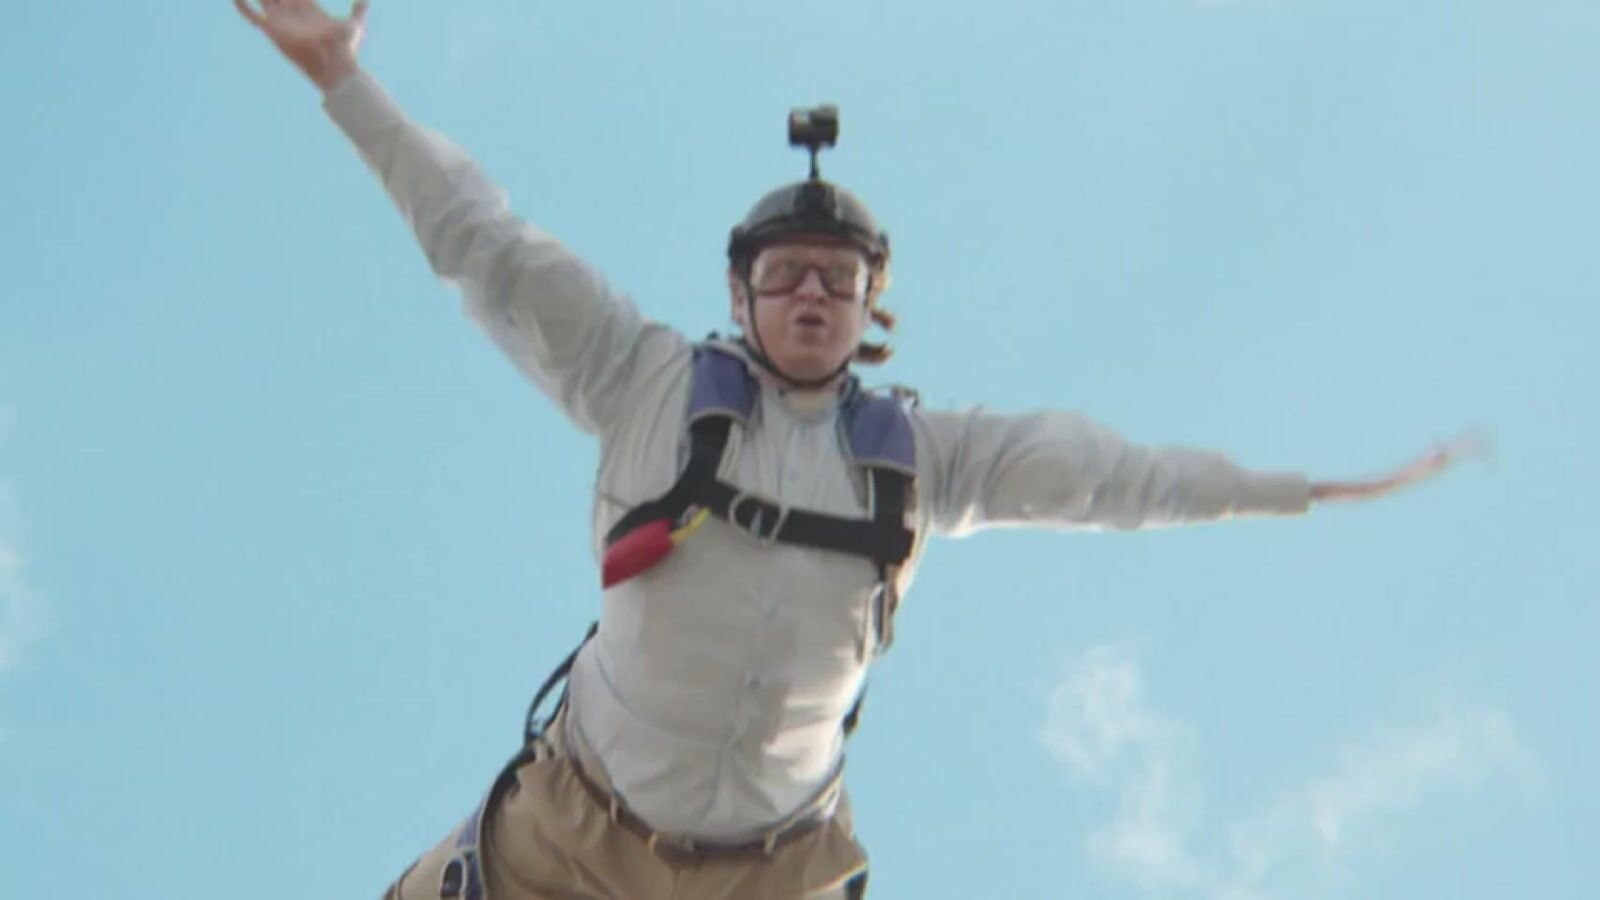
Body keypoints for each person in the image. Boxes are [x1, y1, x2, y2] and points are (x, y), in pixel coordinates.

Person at [234, 2, 1463, 897]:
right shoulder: (641, 375)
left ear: (872, 305)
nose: (811, 296)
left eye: (838, 279)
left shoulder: (923, 462)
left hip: (774, 871)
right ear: (741, 291)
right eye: (784, 277)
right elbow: (477, 241)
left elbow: (1119, 481)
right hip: (571, 836)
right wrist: (344, 82)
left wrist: (1304, 492)